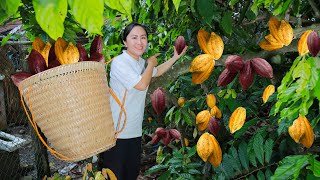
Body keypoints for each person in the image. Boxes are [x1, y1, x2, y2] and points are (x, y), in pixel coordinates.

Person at [100, 22, 187, 179]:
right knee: (114, 175)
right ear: (125, 42)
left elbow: (157, 71)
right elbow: (141, 84)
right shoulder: (120, 62)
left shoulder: (139, 63)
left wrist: (175, 57)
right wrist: (151, 64)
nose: (139, 42)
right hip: (116, 133)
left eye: (143, 37)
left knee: (131, 175)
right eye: (134, 38)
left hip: (133, 130)